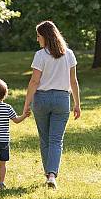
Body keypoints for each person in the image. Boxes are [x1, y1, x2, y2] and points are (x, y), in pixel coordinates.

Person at [23, 20, 81, 189]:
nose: (37, 39)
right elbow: (73, 81)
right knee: (56, 140)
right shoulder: (69, 54)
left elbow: (34, 81)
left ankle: (48, 174)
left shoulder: (40, 55)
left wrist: (27, 104)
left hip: (41, 100)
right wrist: (77, 104)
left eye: (39, 36)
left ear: (46, 37)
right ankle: (52, 175)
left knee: (45, 140)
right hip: (62, 100)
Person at [0, 79, 30, 189]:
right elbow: (16, 120)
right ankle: (1, 183)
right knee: (2, 163)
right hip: (3, 141)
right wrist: (25, 115)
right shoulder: (7, 108)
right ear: (5, 94)